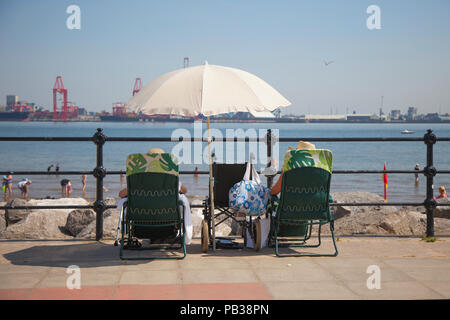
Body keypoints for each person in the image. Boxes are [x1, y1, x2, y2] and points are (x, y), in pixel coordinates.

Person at [118, 148, 193, 245]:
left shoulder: (138, 181)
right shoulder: (170, 180)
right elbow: (185, 190)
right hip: (167, 225)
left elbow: (121, 194)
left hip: (141, 226)